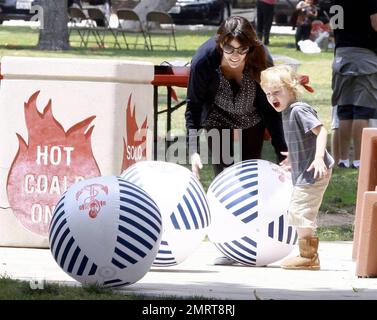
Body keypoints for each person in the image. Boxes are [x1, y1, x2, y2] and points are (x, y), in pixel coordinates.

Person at [185, 16, 287, 265]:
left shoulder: (262, 59)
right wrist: (192, 149)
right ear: (220, 43)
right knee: (225, 179)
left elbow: (271, 110)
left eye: (242, 50)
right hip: (217, 116)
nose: (235, 55)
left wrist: (282, 150)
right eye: (229, 48)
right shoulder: (204, 61)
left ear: (251, 47)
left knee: (251, 175)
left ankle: (253, 238)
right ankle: (228, 243)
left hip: (253, 114)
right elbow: (193, 107)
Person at [260, 64, 334, 270]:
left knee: (299, 210)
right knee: (298, 210)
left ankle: (308, 257)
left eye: (276, 92)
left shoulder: (299, 110)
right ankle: (307, 256)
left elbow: (321, 132)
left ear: (291, 90)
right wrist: (293, 157)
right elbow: (304, 138)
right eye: (267, 94)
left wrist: (318, 157)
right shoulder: (287, 111)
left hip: (315, 171)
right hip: (305, 170)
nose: (272, 97)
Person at [331, 0, 377, 169]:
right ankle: (359, 159)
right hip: (364, 58)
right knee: (362, 111)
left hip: (341, 55)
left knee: (345, 110)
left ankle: (343, 159)